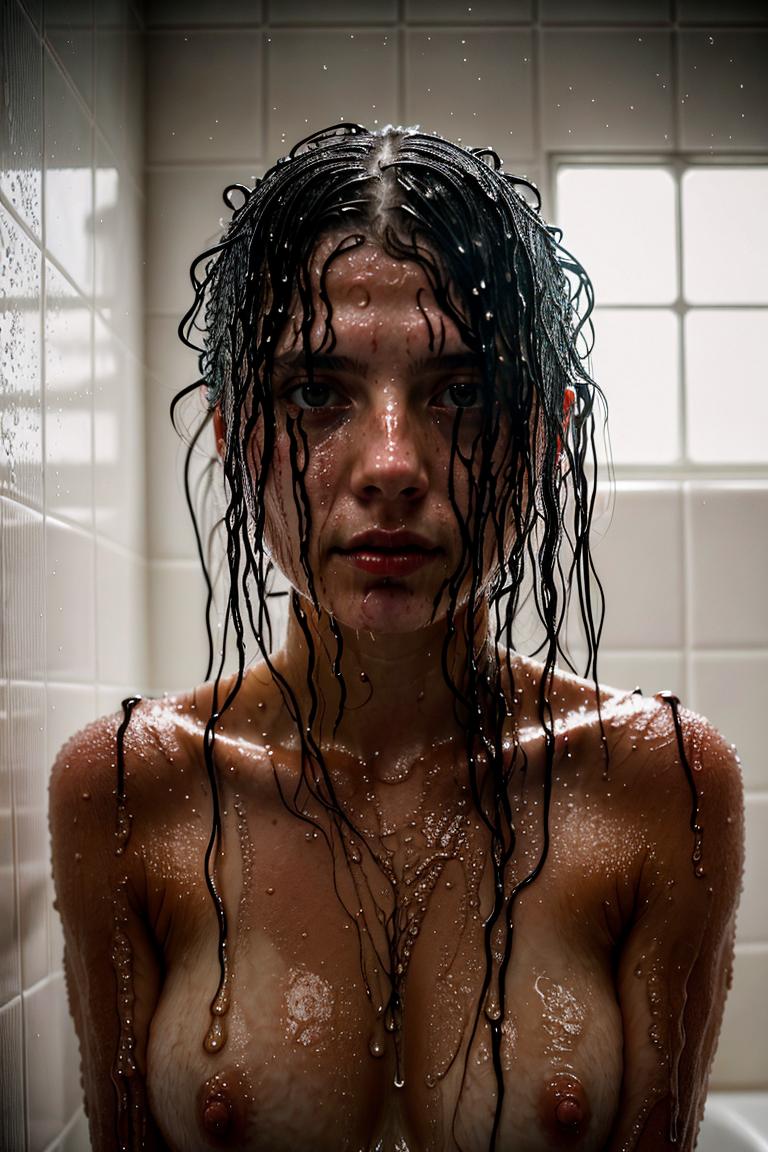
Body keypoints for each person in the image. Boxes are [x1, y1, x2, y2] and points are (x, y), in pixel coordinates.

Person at [50, 125, 743, 1152]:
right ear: (239, 435)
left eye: (459, 393)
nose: (390, 463)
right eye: (318, 393)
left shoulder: (662, 786)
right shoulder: (126, 791)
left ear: (547, 438)